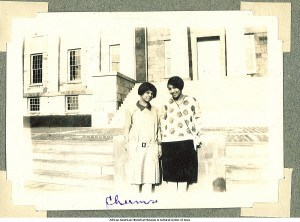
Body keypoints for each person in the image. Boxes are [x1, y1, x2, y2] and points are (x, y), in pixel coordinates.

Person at [160, 76, 202, 192]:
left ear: (181, 87)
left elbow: (198, 119)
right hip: (169, 142)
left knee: (184, 177)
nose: (172, 91)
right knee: (171, 177)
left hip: (186, 141)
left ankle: (181, 202)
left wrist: (197, 137)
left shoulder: (192, 100)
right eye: (170, 89)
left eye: (175, 88)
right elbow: (162, 121)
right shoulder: (166, 103)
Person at [124, 82, 161, 193]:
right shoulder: (131, 109)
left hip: (151, 147)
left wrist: (159, 146)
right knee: (136, 177)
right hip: (136, 147)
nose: (149, 95)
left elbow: (158, 129)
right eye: (147, 92)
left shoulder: (155, 110)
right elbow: (126, 128)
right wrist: (128, 144)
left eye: (151, 93)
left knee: (149, 179)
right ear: (141, 93)